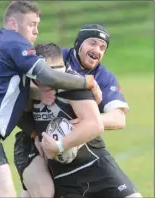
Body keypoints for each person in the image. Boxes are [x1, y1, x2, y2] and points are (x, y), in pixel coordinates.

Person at [0, 1, 96, 198]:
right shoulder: (14, 42)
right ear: (13, 24)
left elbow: (11, 97)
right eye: (32, 24)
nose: (36, 31)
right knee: (5, 194)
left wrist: (35, 100)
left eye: (38, 25)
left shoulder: (0, 43)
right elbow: (48, 76)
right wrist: (87, 82)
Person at [14, 24, 142, 198]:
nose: (97, 50)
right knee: (41, 191)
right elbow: (22, 83)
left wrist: (86, 120)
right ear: (78, 44)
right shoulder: (56, 57)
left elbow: (119, 119)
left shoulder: (103, 76)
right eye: (92, 43)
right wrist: (34, 127)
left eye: (102, 47)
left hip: (74, 141)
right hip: (35, 136)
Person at [14, 42, 104, 198]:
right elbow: (13, 113)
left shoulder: (70, 83)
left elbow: (105, 121)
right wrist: (34, 133)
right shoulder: (22, 80)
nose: (50, 82)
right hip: (29, 143)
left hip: (55, 141)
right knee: (44, 193)